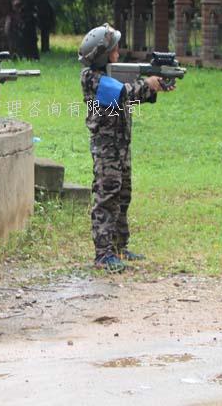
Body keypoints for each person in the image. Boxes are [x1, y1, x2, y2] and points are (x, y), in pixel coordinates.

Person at [78, 23, 172, 273]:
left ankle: (119, 246)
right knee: (107, 197)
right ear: (103, 55)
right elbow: (121, 94)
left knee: (123, 195)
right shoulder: (92, 78)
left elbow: (131, 96)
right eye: (114, 50)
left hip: (121, 146)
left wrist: (156, 87)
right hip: (106, 148)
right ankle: (103, 254)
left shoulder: (110, 76)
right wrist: (147, 84)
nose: (118, 53)